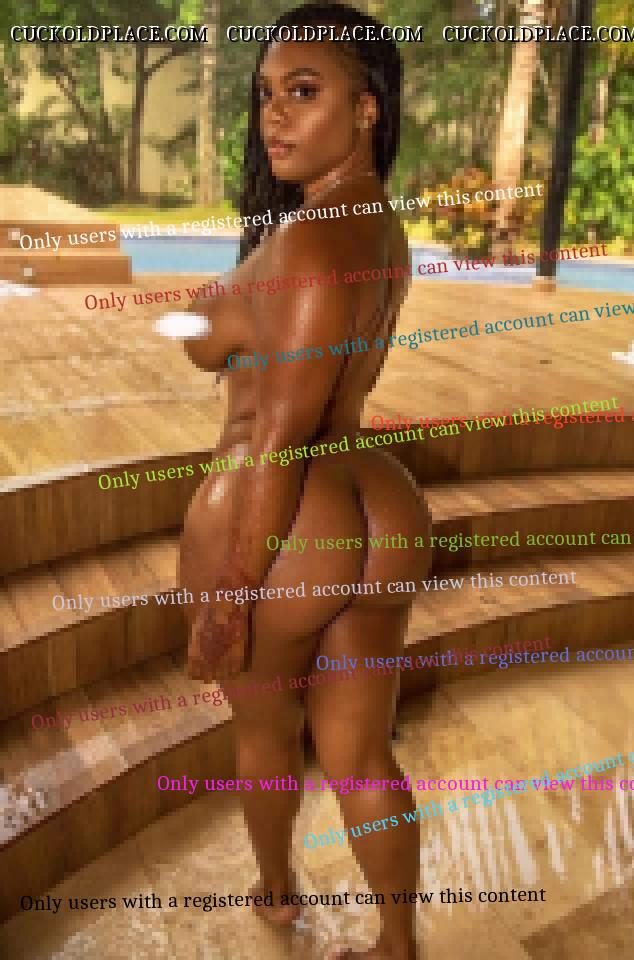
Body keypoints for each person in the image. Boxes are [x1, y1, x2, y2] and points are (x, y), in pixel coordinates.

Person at [177, 5, 431, 958]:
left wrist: (230, 596)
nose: (274, 116)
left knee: (264, 733)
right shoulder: (378, 229)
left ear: (366, 109)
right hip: (378, 497)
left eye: (305, 91)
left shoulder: (309, 244)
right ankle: (396, 944)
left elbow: (280, 440)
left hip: (283, 512)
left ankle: (277, 891)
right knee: (362, 752)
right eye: (266, 94)